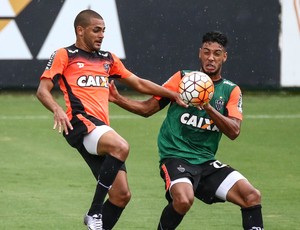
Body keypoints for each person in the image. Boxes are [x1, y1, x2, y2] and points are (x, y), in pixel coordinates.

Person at [36, 9, 186, 230]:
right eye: (96, 30)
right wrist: (57, 108)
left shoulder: (108, 59)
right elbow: (42, 90)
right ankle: (94, 211)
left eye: (104, 30)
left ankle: (98, 222)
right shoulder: (64, 54)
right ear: (80, 30)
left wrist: (171, 94)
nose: (101, 35)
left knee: (121, 195)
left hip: (100, 128)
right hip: (79, 122)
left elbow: (139, 83)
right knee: (121, 146)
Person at [109, 31, 264, 230]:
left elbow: (234, 131)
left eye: (217, 53)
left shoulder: (231, 90)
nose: (211, 58)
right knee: (183, 199)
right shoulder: (182, 79)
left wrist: (207, 105)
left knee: (251, 196)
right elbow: (148, 109)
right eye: (206, 52)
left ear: (224, 57)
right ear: (200, 53)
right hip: (175, 158)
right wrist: (118, 99)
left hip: (206, 161)